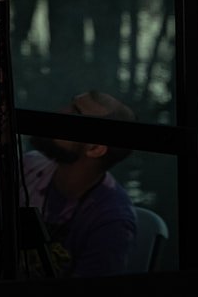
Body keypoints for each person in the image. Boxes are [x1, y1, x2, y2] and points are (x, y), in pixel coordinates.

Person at [19, 90, 140, 277]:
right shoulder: (29, 167)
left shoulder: (112, 222)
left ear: (95, 148)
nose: (59, 113)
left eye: (75, 114)